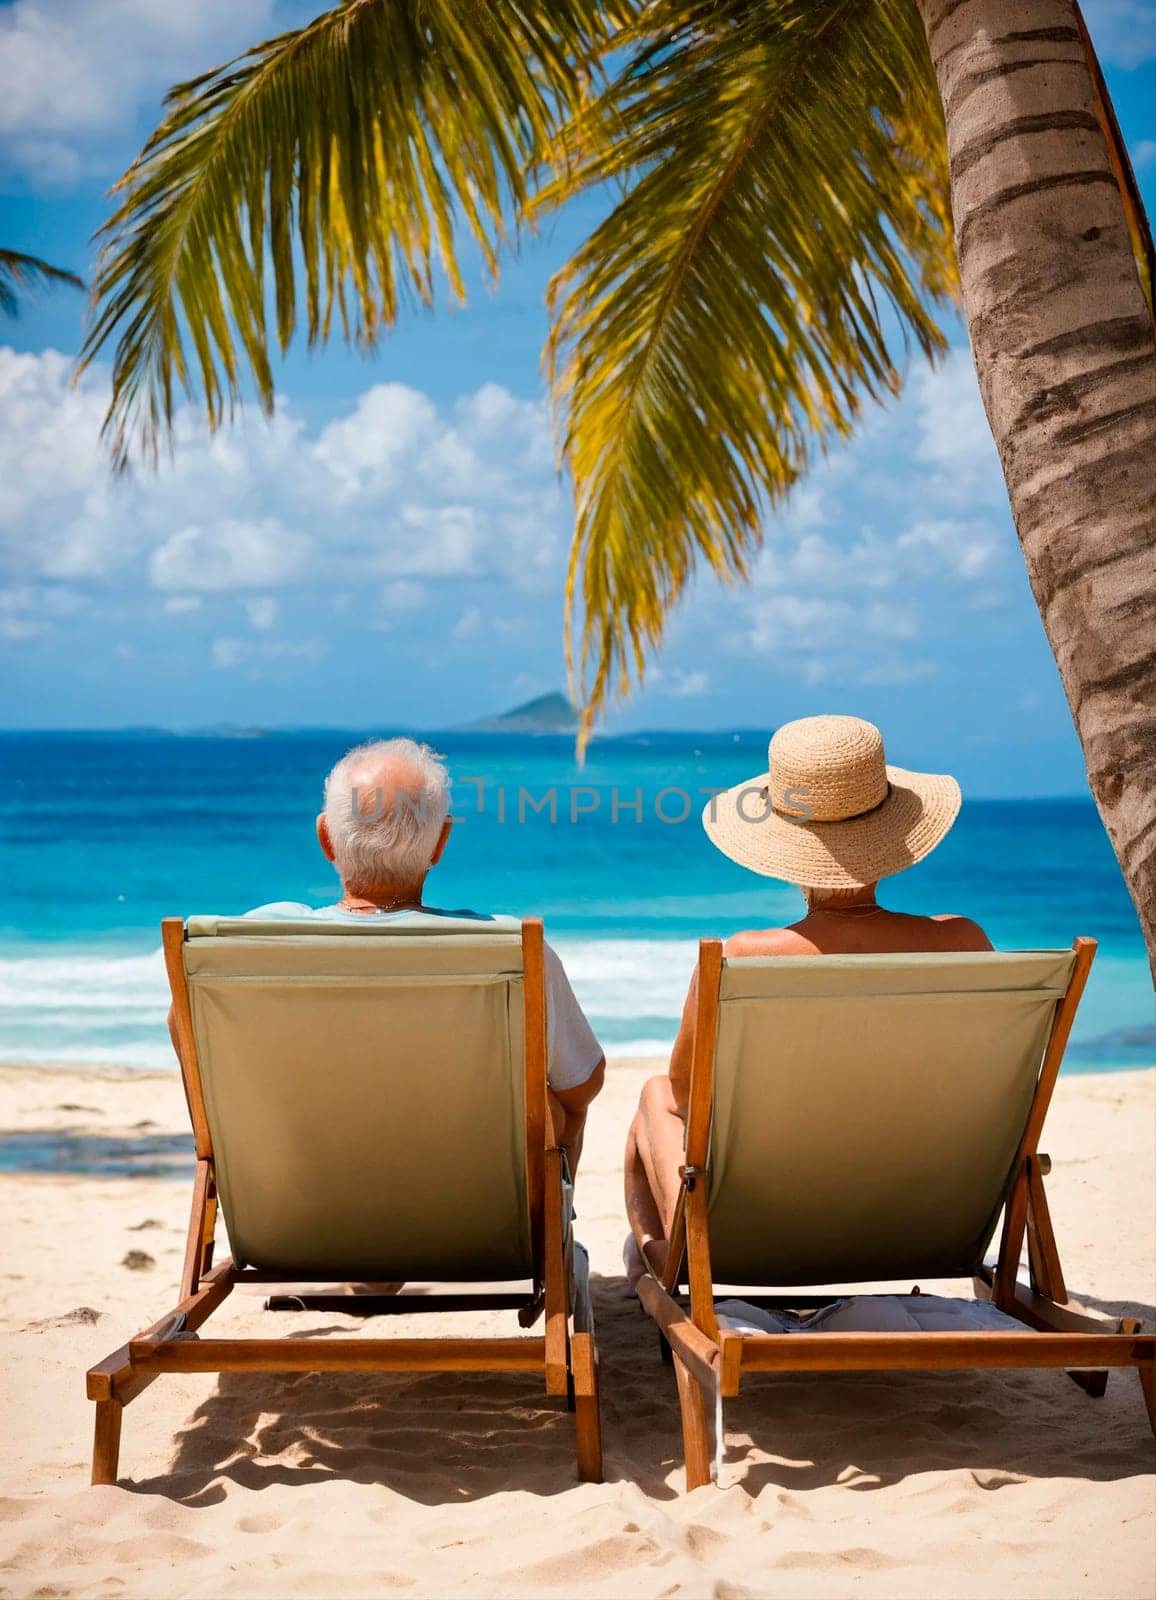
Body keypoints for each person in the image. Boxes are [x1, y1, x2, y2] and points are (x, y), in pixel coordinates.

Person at [624, 713, 992, 1283]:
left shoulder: (742, 959)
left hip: (761, 1234)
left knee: (653, 1097)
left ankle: (658, 1262)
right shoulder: (965, 945)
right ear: (891, 834)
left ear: (783, 841)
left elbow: (684, 1095)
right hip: (923, 1224)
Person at [235, 737, 606, 1177]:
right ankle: (550, 1240)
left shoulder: (253, 940)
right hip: (474, 1225)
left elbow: (184, 1031)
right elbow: (582, 1083)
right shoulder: (508, 947)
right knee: (553, 1105)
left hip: (295, 1220)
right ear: (440, 843)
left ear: (325, 839)